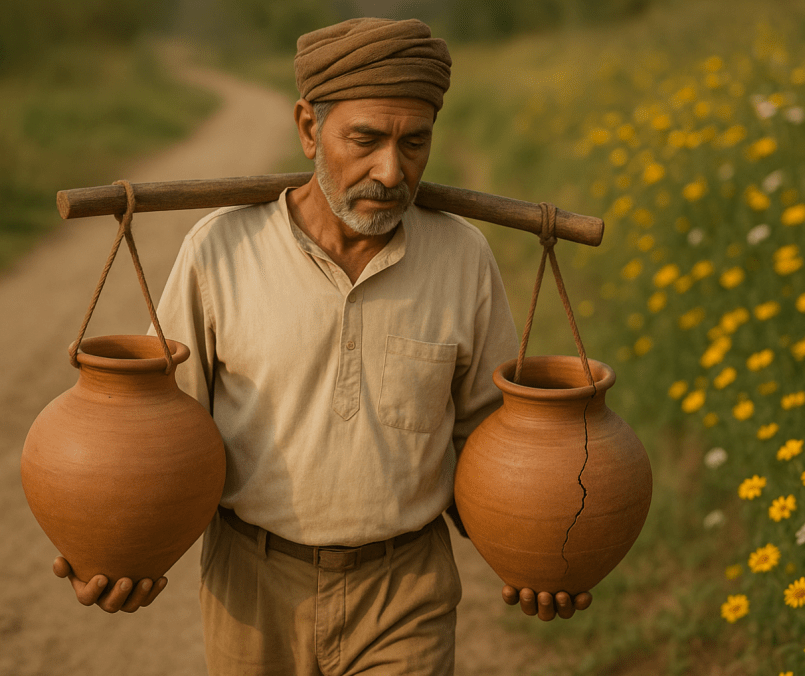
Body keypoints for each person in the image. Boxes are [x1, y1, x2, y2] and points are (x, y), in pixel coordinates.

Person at [52, 16, 591, 674]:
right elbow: (164, 426)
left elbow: (490, 438)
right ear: (310, 127)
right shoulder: (220, 250)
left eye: (414, 143)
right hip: (251, 584)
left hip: (406, 586)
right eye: (365, 139)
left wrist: (544, 546)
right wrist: (116, 548)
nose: (391, 171)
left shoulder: (463, 256)